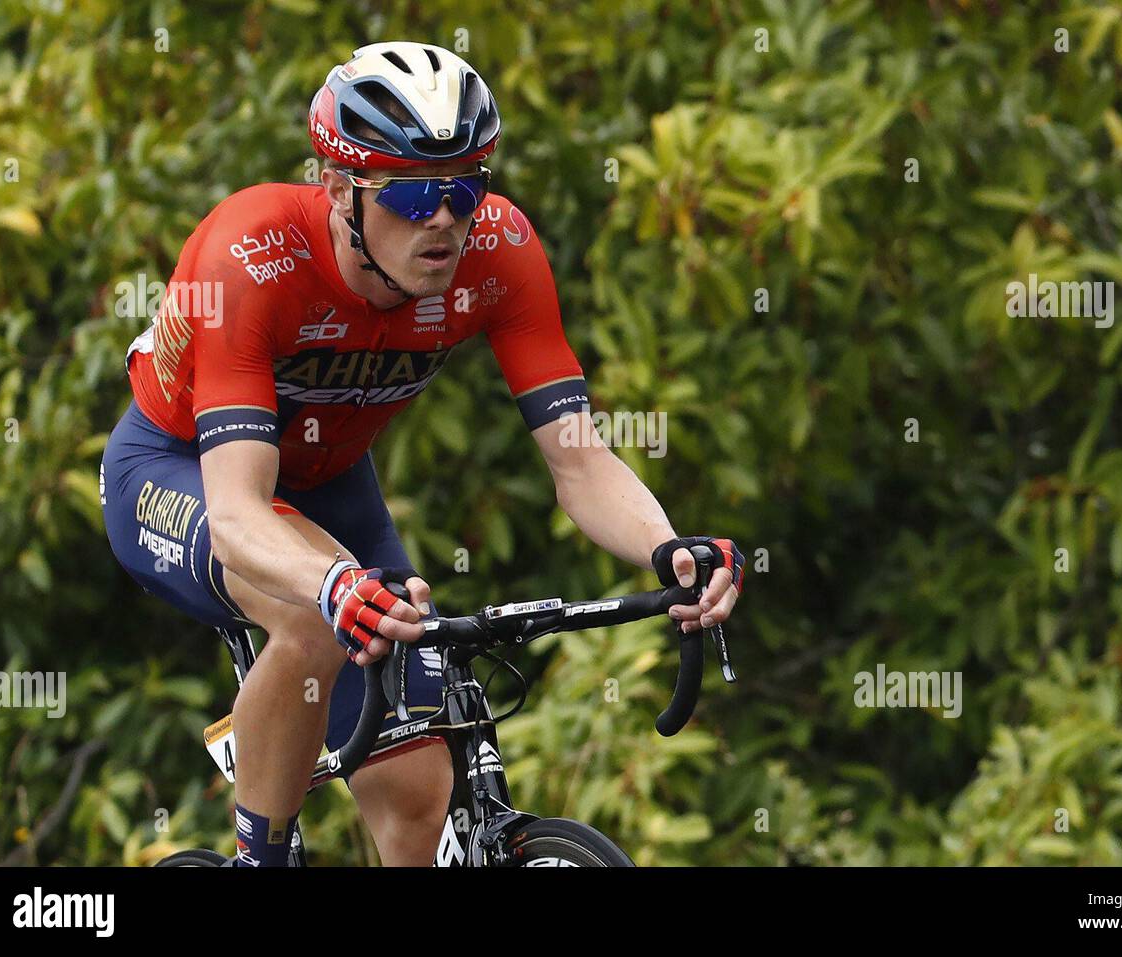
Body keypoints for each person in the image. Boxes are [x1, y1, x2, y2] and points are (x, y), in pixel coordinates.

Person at [100, 40, 745, 866]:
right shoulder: (249, 254)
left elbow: (579, 461)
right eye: (411, 194)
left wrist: (668, 549)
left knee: (416, 799)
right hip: (180, 470)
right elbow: (235, 515)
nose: (443, 218)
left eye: (465, 188)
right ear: (338, 188)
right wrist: (334, 586)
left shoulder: (499, 250)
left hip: (330, 488)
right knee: (309, 617)